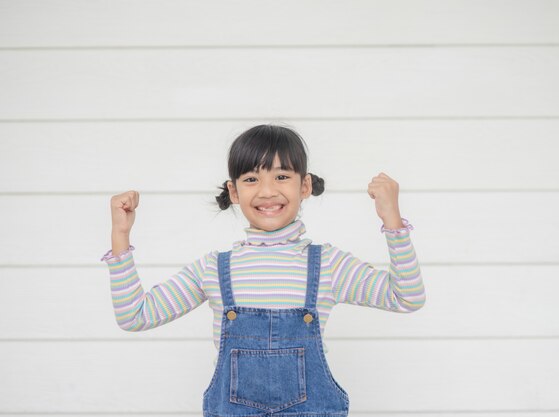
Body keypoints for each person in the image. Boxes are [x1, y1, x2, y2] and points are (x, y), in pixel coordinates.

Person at [100, 123, 426, 416]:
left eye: (281, 176)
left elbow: (407, 298)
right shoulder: (214, 268)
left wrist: (392, 220)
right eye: (252, 179)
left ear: (304, 186)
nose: (267, 191)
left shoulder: (328, 264)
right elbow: (135, 316)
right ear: (234, 191)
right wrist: (120, 236)